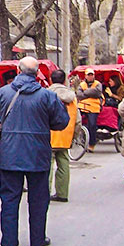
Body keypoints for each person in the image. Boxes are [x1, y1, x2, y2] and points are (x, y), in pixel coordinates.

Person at [0, 56, 69, 246]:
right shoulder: (47, 96)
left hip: (10, 153)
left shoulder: (1, 94)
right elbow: (61, 122)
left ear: (18, 70)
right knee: (39, 199)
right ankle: (38, 238)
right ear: (37, 73)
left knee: (9, 199)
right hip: (38, 154)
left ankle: (8, 244)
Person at [48, 69, 81, 203]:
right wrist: (74, 136)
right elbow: (78, 121)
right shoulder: (71, 97)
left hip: (48, 136)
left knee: (47, 165)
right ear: (64, 81)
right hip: (65, 136)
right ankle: (62, 193)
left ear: (51, 80)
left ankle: (45, 192)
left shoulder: (46, 94)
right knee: (63, 164)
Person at [77, 68, 103, 153]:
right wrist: (91, 93)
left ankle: (92, 144)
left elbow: (98, 93)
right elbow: (79, 95)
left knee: (92, 125)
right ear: (85, 76)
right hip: (82, 107)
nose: (90, 77)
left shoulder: (97, 84)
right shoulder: (82, 84)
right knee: (75, 121)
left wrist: (85, 92)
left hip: (93, 108)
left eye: (92, 75)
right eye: (89, 75)